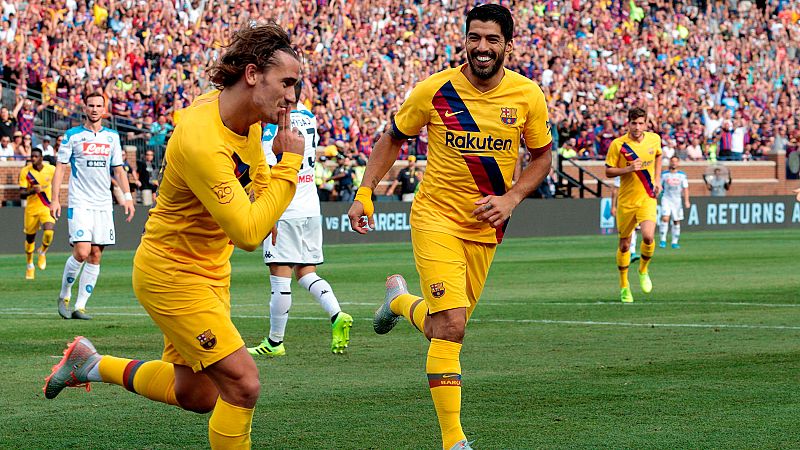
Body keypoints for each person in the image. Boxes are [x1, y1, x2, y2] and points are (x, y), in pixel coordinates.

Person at [43, 23, 305, 450]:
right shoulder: (202, 139)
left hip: (210, 272)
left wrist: (264, 186)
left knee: (198, 395)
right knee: (243, 383)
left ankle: (89, 364)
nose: (293, 97)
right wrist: (290, 164)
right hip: (172, 275)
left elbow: (256, 169)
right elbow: (249, 234)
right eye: (288, 83)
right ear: (253, 74)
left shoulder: (248, 117)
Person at [347, 5, 552, 449]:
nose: (482, 47)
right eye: (474, 38)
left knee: (443, 329)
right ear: (464, 40)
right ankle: (454, 441)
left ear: (508, 46)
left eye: (492, 40)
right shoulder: (434, 90)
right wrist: (365, 191)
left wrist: (512, 197)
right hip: (435, 217)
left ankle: (400, 301)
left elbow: (542, 157)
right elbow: (392, 138)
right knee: (453, 328)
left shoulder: (527, 96)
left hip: (486, 229)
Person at [248, 80, 353, 358]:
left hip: (284, 209)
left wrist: (260, 207)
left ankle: (275, 342)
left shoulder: (272, 128)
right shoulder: (308, 117)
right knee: (306, 272)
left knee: (280, 279)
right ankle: (336, 314)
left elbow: (268, 173)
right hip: (310, 206)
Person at [49, 92, 136, 320]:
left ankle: (80, 306)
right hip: (80, 202)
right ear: (84, 107)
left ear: (104, 109)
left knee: (96, 255)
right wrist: (55, 198)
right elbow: (60, 168)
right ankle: (64, 295)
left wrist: (127, 196)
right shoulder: (72, 136)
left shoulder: (112, 138)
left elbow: (118, 169)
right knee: (82, 251)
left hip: (103, 204)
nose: (95, 109)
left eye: (99, 105)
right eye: (91, 105)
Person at [605, 107, 662, 303]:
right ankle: (624, 286)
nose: (637, 127)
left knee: (648, 236)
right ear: (628, 123)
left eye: (640, 123)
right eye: (633, 123)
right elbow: (608, 171)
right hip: (626, 201)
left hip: (647, 197)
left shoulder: (654, 139)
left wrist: (658, 179)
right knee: (625, 245)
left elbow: (658, 156)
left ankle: (643, 270)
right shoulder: (618, 145)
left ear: (646, 124)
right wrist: (628, 168)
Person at [19, 148, 55, 279]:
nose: (33, 159)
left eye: (35, 156)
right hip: (31, 209)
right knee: (30, 239)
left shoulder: (50, 169)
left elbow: (56, 182)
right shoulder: (26, 171)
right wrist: (32, 191)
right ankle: (29, 265)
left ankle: (42, 252)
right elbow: (21, 194)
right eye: (32, 157)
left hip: (46, 206)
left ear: (41, 158)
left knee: (49, 231)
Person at [659, 156, 691, 249]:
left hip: (677, 200)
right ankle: (663, 240)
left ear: (678, 163)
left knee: (676, 221)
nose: (674, 163)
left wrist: (686, 201)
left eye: (676, 162)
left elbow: (685, 188)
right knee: (665, 218)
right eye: (672, 161)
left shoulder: (682, 175)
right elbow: (659, 186)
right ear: (670, 162)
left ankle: (674, 242)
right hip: (666, 198)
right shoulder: (664, 174)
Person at [611, 176, 639, 263]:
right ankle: (626, 252)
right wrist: (613, 206)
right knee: (626, 231)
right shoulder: (621, 172)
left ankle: (632, 252)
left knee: (634, 228)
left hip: (637, 203)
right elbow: (615, 190)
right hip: (625, 205)